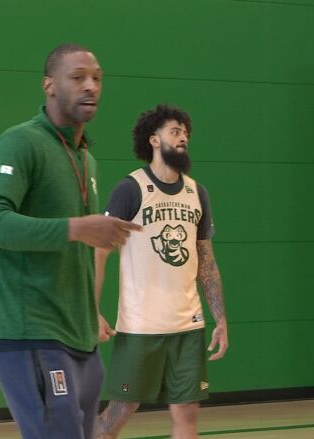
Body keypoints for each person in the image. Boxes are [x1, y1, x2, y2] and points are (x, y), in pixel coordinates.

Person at [0, 43, 141, 439]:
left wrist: (91, 316)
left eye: (97, 79)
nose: (91, 87)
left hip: (80, 339)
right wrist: (76, 228)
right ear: (49, 85)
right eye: (78, 77)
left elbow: (78, 255)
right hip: (29, 332)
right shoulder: (21, 143)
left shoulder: (85, 158)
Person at [95, 104, 229, 439]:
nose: (183, 137)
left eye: (186, 132)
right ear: (154, 140)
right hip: (141, 325)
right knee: (120, 411)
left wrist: (221, 319)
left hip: (188, 325)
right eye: (175, 131)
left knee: (187, 415)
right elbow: (99, 252)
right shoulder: (131, 189)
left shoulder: (197, 192)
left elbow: (207, 262)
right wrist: (92, 310)